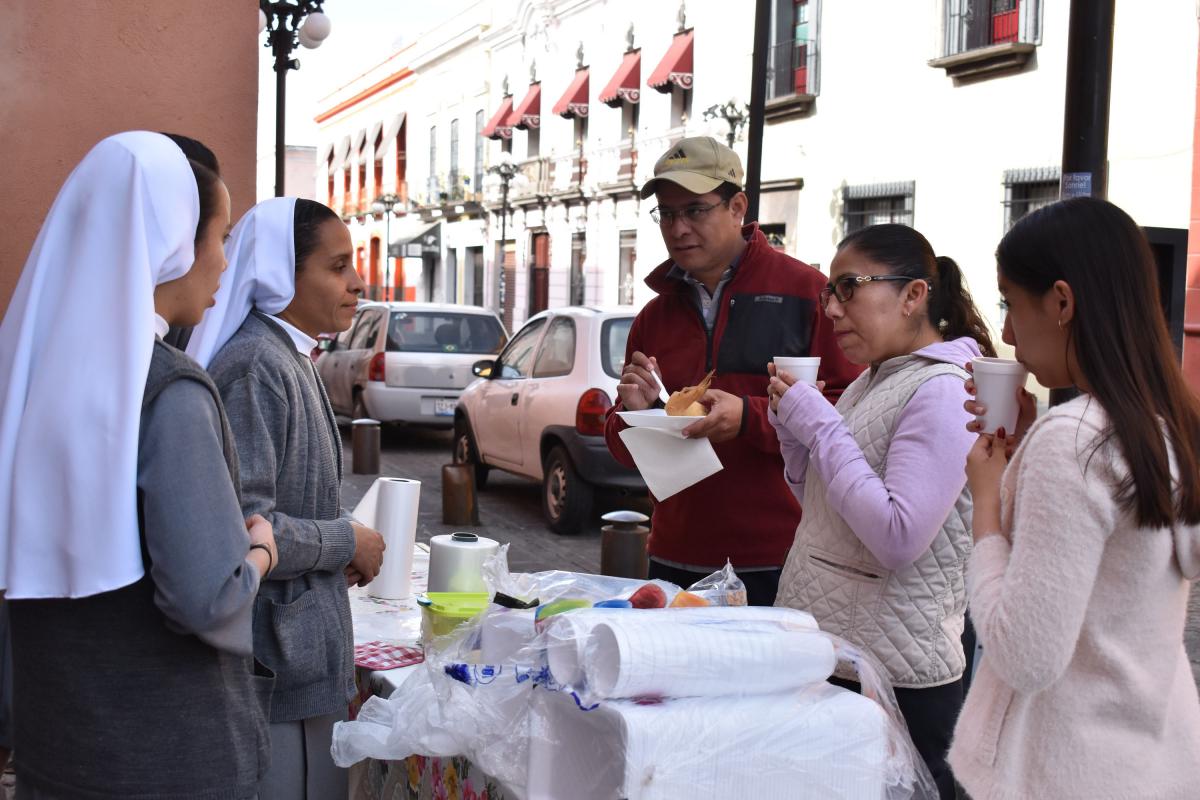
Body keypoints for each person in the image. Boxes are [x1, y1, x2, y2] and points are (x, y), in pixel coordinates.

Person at [0, 131, 275, 798]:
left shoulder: (25, 379)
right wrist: (260, 548)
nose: (222, 262)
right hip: (171, 755)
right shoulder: (167, 392)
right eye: (219, 236)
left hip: (58, 746)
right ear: (173, 243)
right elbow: (207, 595)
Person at [949, 197, 1200, 799]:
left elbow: (1023, 655)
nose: (1006, 331)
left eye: (1011, 302)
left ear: (1061, 301)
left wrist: (986, 505)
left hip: (1060, 773)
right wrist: (1026, 456)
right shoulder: (1166, 427)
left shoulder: (1074, 442)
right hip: (1152, 759)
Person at [769, 223, 996, 798]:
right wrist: (796, 439)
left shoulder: (944, 389)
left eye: (849, 288)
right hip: (843, 654)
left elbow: (896, 536)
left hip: (899, 677)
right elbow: (831, 515)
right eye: (830, 293)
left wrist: (819, 427)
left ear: (914, 295)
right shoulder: (870, 381)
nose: (833, 311)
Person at [604, 136, 861, 606]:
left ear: (737, 206)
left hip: (781, 556)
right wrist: (632, 414)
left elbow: (853, 411)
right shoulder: (653, 316)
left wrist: (749, 417)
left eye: (695, 210)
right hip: (674, 556)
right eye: (666, 213)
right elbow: (625, 451)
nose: (678, 228)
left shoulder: (809, 293)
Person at [189, 197, 384, 800]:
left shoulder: (287, 357)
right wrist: (345, 539)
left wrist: (337, 538)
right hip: (277, 660)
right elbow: (247, 526)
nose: (357, 282)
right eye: (336, 266)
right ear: (281, 272)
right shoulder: (256, 366)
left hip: (300, 655)